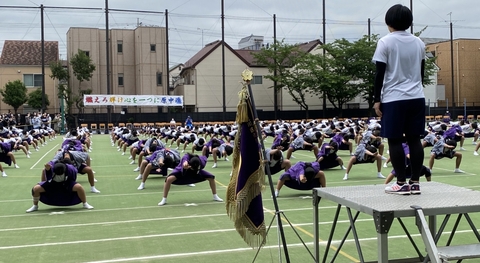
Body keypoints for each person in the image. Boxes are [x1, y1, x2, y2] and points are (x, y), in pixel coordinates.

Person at [373, 4, 426, 195]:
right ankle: (415, 182)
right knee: (414, 139)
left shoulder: (385, 42)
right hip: (417, 96)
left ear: (389, 22)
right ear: (409, 23)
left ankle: (401, 182)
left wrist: (376, 99)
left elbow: (380, 73)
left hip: (394, 98)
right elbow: (421, 71)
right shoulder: (419, 42)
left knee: (394, 140)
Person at [26, 159, 94, 213]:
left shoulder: (71, 169)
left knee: (79, 187)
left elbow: (73, 178)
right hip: (52, 183)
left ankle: (85, 203)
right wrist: (47, 170)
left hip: (66, 183)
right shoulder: (50, 168)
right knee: (36, 189)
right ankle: (35, 206)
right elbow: (47, 180)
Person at [158, 153, 223, 206]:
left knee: (211, 177)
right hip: (182, 170)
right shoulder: (186, 159)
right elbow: (185, 160)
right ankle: (164, 199)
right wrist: (185, 165)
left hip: (197, 172)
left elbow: (204, 156)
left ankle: (215, 196)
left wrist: (195, 170)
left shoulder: (202, 161)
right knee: (169, 179)